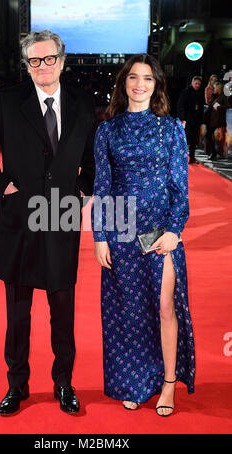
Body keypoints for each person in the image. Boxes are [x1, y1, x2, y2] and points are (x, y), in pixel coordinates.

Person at [0, 30, 95, 416]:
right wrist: (3, 186)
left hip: (62, 219)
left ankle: (64, 384)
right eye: (34, 61)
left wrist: (82, 191)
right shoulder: (7, 101)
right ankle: (17, 386)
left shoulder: (83, 104)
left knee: (63, 312)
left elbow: (89, 161)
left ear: (63, 59)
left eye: (49, 59)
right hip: (18, 223)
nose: (43, 67)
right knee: (18, 314)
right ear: (26, 65)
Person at [92, 54, 195, 417]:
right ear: (123, 83)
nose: (139, 84)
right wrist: (100, 235)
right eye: (133, 77)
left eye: (148, 78)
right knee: (131, 311)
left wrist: (173, 230)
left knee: (165, 306)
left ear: (157, 85)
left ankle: (168, 383)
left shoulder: (170, 129)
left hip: (159, 231)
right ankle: (138, 381)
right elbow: (102, 186)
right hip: (120, 231)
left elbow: (179, 187)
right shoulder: (108, 129)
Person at [176, 76, 205, 164]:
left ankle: (192, 157)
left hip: (196, 120)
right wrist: (183, 118)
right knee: (184, 139)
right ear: (192, 83)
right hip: (187, 119)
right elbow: (180, 105)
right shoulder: (185, 92)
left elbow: (201, 107)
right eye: (196, 83)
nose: (197, 85)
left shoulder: (200, 93)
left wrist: (200, 119)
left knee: (193, 140)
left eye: (199, 84)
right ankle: (180, 158)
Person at [205, 82, 229, 160]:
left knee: (210, 135)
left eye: (215, 88)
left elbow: (228, 105)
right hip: (212, 120)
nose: (214, 89)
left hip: (218, 120)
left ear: (218, 89)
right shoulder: (215, 96)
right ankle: (213, 152)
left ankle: (214, 153)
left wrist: (219, 107)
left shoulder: (223, 97)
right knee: (208, 135)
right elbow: (209, 104)